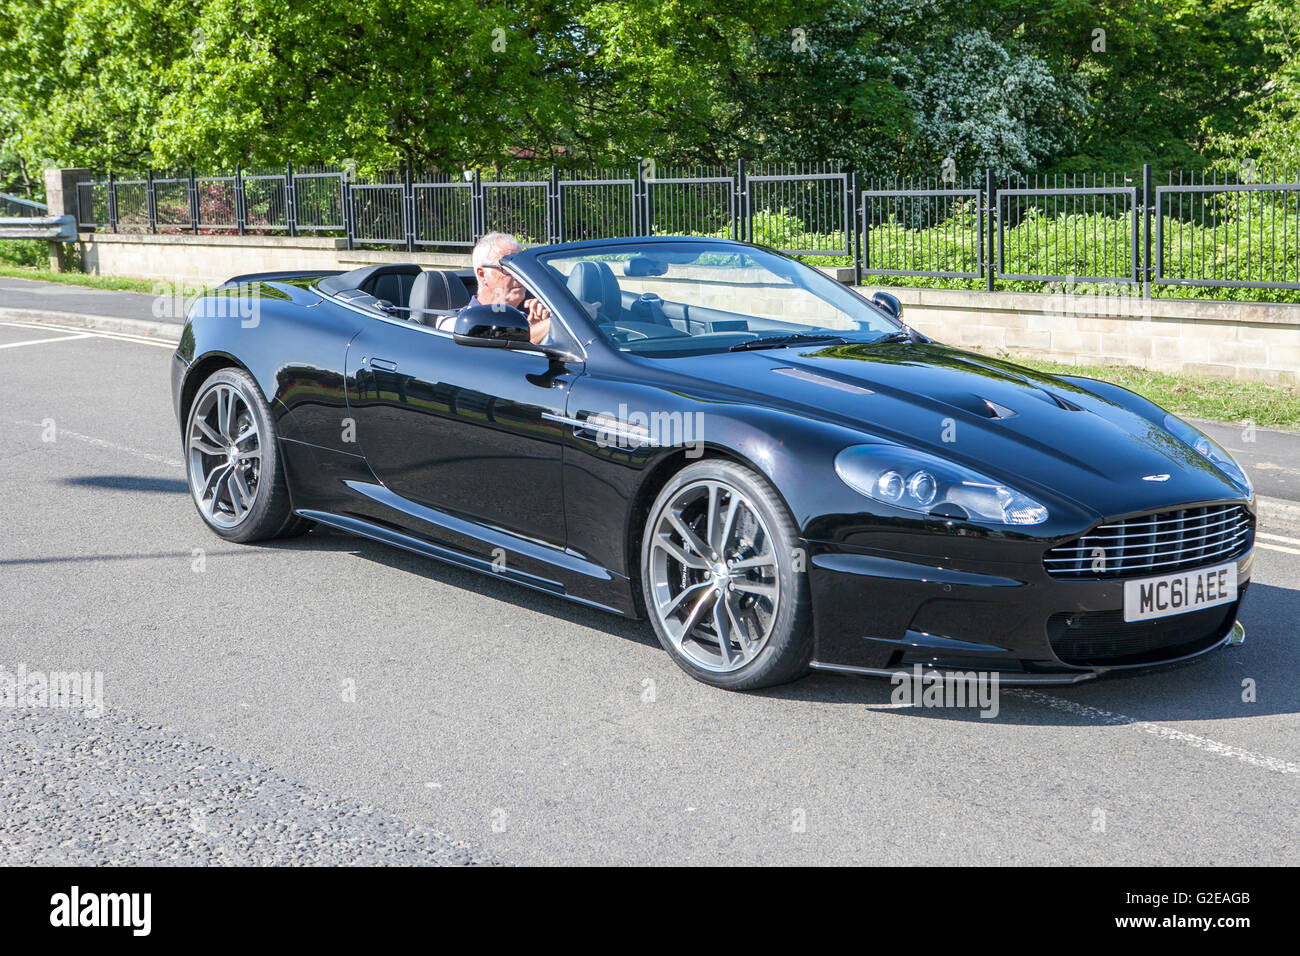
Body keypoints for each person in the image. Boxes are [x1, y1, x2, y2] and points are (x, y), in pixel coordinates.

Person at [438, 232, 551, 345]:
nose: (519, 275)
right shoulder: (453, 322)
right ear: (482, 275)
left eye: (521, 268)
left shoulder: (524, 318)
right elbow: (500, 343)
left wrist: (537, 327)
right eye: (507, 268)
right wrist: (551, 324)